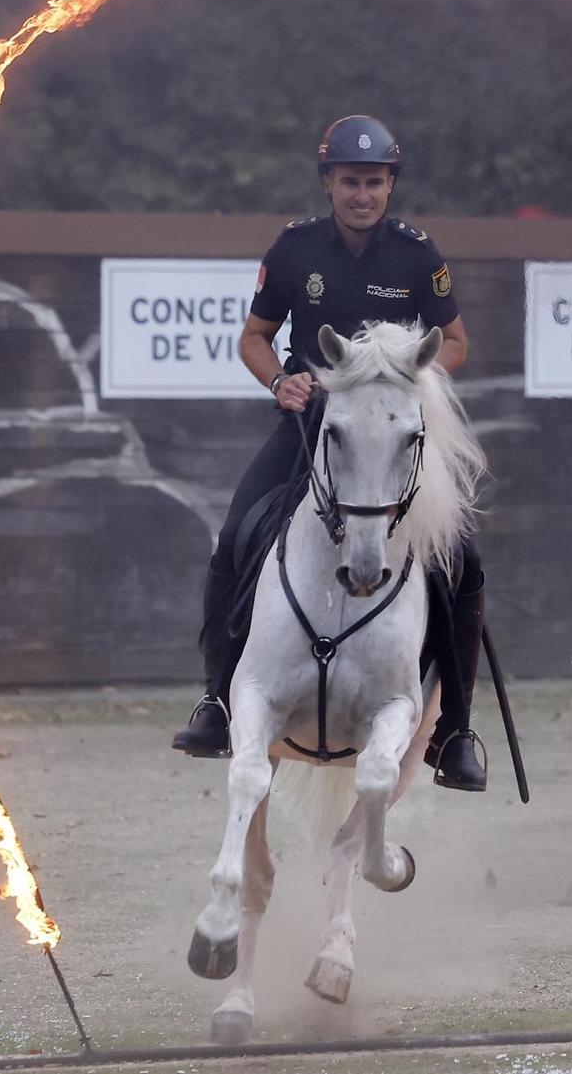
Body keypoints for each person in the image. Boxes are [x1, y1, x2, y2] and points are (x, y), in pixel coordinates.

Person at [170, 115, 490, 791]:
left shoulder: (417, 254)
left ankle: (455, 731)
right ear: (328, 182)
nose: (362, 194)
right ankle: (218, 700)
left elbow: (454, 343)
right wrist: (280, 381)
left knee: (463, 560)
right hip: (308, 427)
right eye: (350, 181)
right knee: (234, 538)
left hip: (388, 436)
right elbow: (255, 337)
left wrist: (408, 380)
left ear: (390, 185)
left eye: (374, 182)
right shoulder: (294, 249)